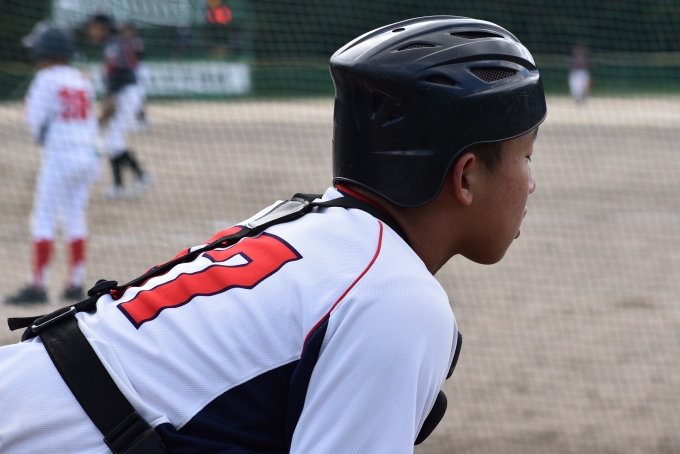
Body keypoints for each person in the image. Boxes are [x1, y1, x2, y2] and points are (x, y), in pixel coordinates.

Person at [0, 16, 546, 453]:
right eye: (526, 155)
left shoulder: (301, 221)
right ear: (466, 176)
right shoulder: (396, 297)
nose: (532, 181)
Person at [4, 28, 100, 305]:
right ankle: (75, 284)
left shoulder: (45, 78)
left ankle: (38, 287)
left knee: (43, 219)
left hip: (61, 157)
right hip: (89, 155)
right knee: (75, 216)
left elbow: (34, 121)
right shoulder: (81, 79)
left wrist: (40, 129)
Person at [88, 14, 151, 199]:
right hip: (123, 94)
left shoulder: (113, 45)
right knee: (112, 140)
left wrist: (111, 102)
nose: (91, 31)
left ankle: (141, 177)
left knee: (113, 141)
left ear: (103, 28)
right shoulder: (112, 44)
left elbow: (121, 72)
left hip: (126, 95)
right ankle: (119, 186)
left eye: (93, 27)